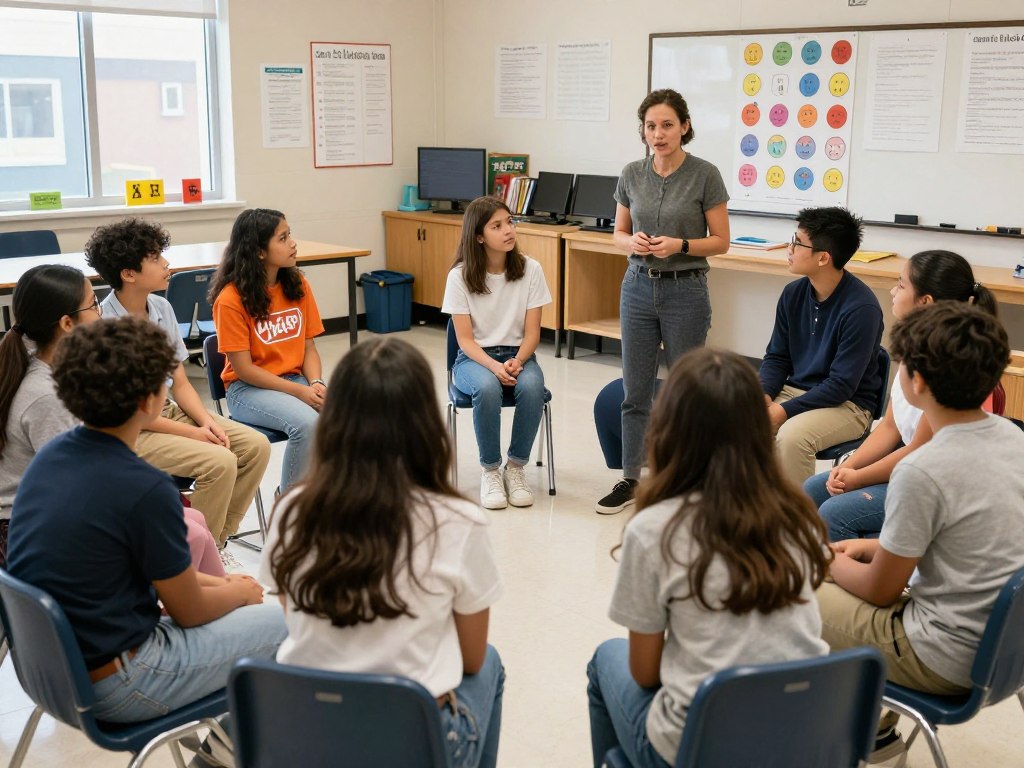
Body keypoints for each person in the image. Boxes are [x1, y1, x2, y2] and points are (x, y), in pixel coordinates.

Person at [6, 316, 286, 726]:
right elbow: (189, 611)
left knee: (243, 603)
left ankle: (223, 749)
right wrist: (239, 594)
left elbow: (160, 579)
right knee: (290, 625)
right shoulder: (143, 488)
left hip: (49, 672)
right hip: (120, 682)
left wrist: (227, 585)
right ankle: (237, 750)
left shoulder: (51, 456)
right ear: (149, 402)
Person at [260, 336, 504, 768]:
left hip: (304, 738)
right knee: (491, 666)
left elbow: (292, 618)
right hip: (410, 746)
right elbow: (471, 657)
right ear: (424, 425)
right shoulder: (458, 520)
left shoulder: (290, 512)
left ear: (336, 421)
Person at [587, 347, 830, 768]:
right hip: (800, 742)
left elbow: (645, 674)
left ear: (669, 430)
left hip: (700, 747)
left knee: (604, 663)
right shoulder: (800, 517)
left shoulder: (655, 530)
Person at [819, 302, 1024, 761]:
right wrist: (875, 546)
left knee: (792, 587)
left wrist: (825, 561)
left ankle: (827, 735)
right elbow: (970, 540)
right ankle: (875, 728)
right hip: (1008, 648)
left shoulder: (922, 469)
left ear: (920, 382)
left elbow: (879, 591)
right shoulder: (1014, 437)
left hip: (943, 657)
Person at [0, 265, 225, 576]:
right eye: (93, 304)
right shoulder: (46, 395)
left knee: (193, 522)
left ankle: (202, 592)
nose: (100, 311)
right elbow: (76, 486)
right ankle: (192, 601)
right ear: (67, 323)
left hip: (55, 508)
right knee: (190, 531)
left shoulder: (49, 363)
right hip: (32, 526)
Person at [85, 218, 271, 548]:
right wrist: (195, 433)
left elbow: (181, 381)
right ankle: (188, 553)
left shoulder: (161, 306)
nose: (166, 263)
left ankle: (215, 543)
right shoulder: (105, 327)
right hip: (130, 430)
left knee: (255, 446)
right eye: (155, 258)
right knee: (221, 462)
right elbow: (131, 415)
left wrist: (205, 422)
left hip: (167, 411)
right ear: (128, 274)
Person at [596, 88, 730, 515]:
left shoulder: (706, 174)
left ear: (685, 127)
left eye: (667, 125)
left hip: (685, 290)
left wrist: (680, 244)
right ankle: (631, 477)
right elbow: (617, 233)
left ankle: (688, 478)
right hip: (636, 286)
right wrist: (629, 240)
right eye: (650, 126)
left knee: (685, 390)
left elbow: (721, 242)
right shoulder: (631, 173)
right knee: (635, 390)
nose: (658, 134)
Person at [805, 250, 1000, 541]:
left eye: (901, 284)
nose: (893, 291)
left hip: (931, 480)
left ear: (925, 302)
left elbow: (920, 452)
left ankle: (858, 578)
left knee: (834, 513)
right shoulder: (915, 348)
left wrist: (859, 477)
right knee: (813, 489)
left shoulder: (945, 366)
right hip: (911, 466)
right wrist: (850, 467)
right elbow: (889, 427)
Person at [759, 206, 883, 486]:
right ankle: (752, 512)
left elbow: (841, 385)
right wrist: (764, 394)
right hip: (798, 390)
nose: (789, 247)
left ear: (824, 257)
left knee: (792, 437)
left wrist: (783, 410)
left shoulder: (861, 308)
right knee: (736, 418)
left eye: (797, 242)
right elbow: (777, 357)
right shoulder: (793, 293)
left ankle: (797, 524)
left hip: (848, 404)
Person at [441, 196, 551, 509]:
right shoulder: (459, 277)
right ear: (479, 236)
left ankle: (515, 468)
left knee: (531, 387)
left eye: (510, 222)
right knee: (488, 388)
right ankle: (490, 470)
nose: (508, 230)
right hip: (473, 358)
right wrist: (494, 366)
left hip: (520, 354)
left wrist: (517, 359)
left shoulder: (531, 269)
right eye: (497, 225)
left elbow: (533, 333)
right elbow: (464, 340)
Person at [209, 208, 325, 492]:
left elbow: (309, 347)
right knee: (308, 424)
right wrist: (301, 392)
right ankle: (290, 507)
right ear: (259, 251)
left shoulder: (298, 285)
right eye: (283, 238)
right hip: (248, 389)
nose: (293, 243)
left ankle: (321, 500)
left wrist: (317, 382)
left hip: (295, 380)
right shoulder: (231, 299)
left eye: (290, 235)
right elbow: (244, 370)